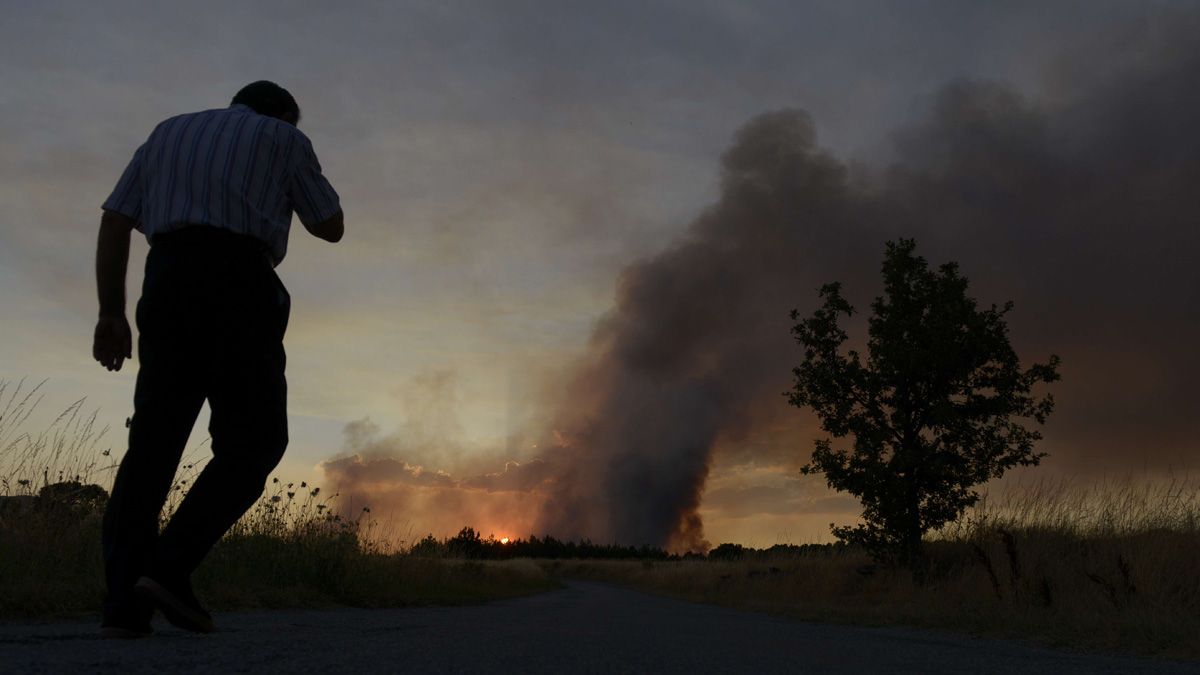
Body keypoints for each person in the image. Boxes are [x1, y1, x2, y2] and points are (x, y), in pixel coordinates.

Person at [92, 80, 344, 638]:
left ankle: (124, 605)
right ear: (283, 114)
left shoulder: (166, 133)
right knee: (254, 444)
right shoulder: (283, 136)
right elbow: (329, 226)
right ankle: (167, 569)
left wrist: (112, 311)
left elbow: (116, 219)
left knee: (152, 446)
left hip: (167, 280)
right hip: (239, 282)